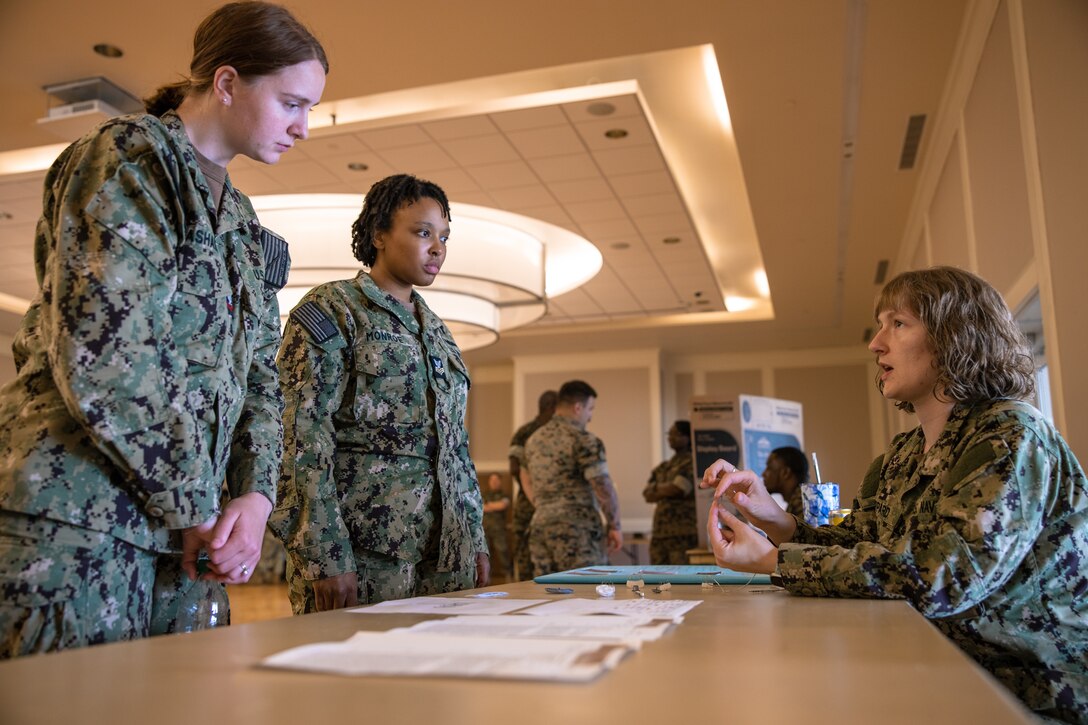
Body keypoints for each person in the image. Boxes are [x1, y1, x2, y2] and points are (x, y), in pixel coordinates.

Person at [0, 2, 327, 657]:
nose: (304, 128)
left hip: (185, 539)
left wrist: (256, 497)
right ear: (228, 82)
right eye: (292, 103)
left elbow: (261, 375)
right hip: (82, 522)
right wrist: (201, 506)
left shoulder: (242, 220)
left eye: (311, 108)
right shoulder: (129, 158)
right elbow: (111, 356)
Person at [701, 266, 1087, 723]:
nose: (875, 342)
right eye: (880, 324)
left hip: (1024, 695)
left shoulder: (1010, 434)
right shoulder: (900, 455)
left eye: (897, 323)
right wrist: (774, 520)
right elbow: (863, 549)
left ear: (955, 336)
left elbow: (942, 577)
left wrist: (771, 561)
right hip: (931, 674)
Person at [270, 174, 489, 613]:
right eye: (422, 232)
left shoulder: (440, 334)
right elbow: (298, 438)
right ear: (378, 235)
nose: (438, 248)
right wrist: (325, 556)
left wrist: (474, 539)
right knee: (355, 679)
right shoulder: (334, 310)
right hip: (365, 559)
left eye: (444, 236)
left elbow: (455, 448)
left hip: (445, 560)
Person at [523, 380, 622, 576]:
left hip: (540, 528)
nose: (590, 417)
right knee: (587, 594)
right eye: (590, 409)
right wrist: (614, 525)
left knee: (547, 597)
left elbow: (526, 478)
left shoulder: (534, 440)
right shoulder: (584, 440)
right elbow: (603, 486)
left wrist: (542, 506)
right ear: (578, 407)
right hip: (577, 532)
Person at [508, 389, 557, 579]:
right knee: (526, 555)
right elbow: (514, 468)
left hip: (537, 502)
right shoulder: (527, 432)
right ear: (551, 408)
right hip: (531, 503)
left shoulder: (528, 431)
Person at [642, 420, 697, 564]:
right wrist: (664, 488)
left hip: (682, 534)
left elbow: (679, 488)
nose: (670, 437)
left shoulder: (693, 463)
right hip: (660, 533)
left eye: (676, 434)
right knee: (657, 579)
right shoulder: (664, 466)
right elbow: (647, 494)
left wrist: (657, 488)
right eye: (669, 434)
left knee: (681, 579)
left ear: (688, 437)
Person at [761, 446, 808, 518]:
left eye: (769, 468)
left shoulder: (804, 505)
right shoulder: (801, 501)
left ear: (785, 473)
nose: (763, 474)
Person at [481, 473, 513, 579]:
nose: (494, 482)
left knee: (502, 552)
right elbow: (480, 507)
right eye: (492, 480)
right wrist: (493, 505)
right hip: (485, 530)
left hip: (499, 530)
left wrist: (488, 505)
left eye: (496, 480)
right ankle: (487, 577)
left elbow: (502, 505)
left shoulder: (504, 494)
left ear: (500, 481)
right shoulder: (484, 494)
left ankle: (508, 575)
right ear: (489, 482)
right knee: (486, 554)